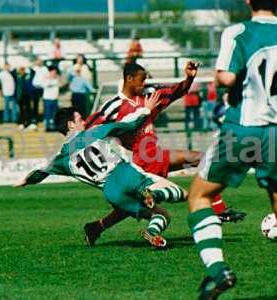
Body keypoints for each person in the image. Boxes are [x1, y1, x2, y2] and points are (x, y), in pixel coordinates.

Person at [187, 1, 277, 299]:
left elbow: (225, 78)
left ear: (248, 1)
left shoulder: (239, 32)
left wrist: (231, 79)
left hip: (243, 128)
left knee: (200, 195)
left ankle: (218, 271)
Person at [83, 62, 246, 247]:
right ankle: (217, 210)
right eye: (142, 79)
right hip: (143, 159)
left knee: (201, 159)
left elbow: (176, 91)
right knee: (199, 160)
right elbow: (90, 127)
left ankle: (96, 227)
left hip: (153, 155)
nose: (145, 83)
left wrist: (189, 78)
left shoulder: (150, 97)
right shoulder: (114, 106)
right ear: (129, 79)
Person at [14, 100, 187, 248]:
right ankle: (153, 194)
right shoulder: (93, 132)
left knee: (160, 215)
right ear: (70, 125)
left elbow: (40, 170)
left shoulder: (60, 158)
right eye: (80, 119)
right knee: (181, 193)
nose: (84, 121)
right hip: (124, 173)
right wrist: (146, 109)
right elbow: (129, 124)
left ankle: (152, 232)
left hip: (111, 192)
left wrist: (25, 181)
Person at [31, 58, 49, 128]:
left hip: (43, 88)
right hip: (35, 88)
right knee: (35, 104)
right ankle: (35, 118)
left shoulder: (45, 69)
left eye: (40, 62)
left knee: (44, 103)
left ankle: (44, 118)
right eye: (37, 61)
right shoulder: (34, 68)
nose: (39, 63)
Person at [42, 66, 60, 131]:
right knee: (47, 114)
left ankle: (53, 126)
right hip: (47, 99)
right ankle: (47, 127)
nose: (54, 74)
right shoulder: (46, 79)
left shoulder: (57, 79)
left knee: (54, 114)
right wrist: (50, 78)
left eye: (55, 72)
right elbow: (46, 85)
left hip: (55, 99)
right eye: (53, 72)